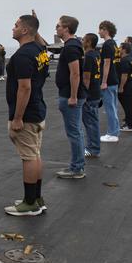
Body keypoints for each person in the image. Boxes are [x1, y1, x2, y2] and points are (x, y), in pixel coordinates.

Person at [3, 13, 51, 217]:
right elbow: (44, 44)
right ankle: (36, 198)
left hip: (27, 115)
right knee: (35, 155)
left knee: (29, 157)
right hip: (38, 110)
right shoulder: (39, 50)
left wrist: (17, 118)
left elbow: (24, 88)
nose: (12, 28)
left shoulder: (23, 55)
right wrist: (36, 27)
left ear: (24, 30)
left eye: (16, 25)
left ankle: (30, 203)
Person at [54, 15, 87, 179]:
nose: (56, 28)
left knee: (74, 132)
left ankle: (77, 168)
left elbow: (75, 73)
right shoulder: (72, 45)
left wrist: (73, 96)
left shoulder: (71, 47)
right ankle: (77, 166)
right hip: (70, 94)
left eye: (58, 26)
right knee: (76, 132)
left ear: (66, 28)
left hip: (70, 96)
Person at [98, 20, 120, 143]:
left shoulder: (107, 45)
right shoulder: (113, 44)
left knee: (110, 108)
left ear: (105, 29)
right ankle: (115, 131)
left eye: (100, 29)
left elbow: (106, 63)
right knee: (113, 107)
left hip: (109, 81)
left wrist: (104, 81)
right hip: (114, 79)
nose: (99, 31)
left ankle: (112, 133)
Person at [82, 33, 102, 158]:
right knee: (93, 121)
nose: (82, 41)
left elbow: (86, 78)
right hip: (96, 92)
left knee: (90, 123)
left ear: (88, 42)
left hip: (90, 94)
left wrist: (84, 94)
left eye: (83, 39)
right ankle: (94, 146)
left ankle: (93, 148)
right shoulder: (96, 54)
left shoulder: (89, 56)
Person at [118, 42, 132, 131]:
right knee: (128, 105)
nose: (118, 49)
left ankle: (130, 125)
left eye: (120, 47)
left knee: (127, 106)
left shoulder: (124, 60)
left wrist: (121, 87)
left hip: (127, 86)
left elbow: (124, 75)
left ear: (124, 49)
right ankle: (129, 122)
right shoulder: (131, 59)